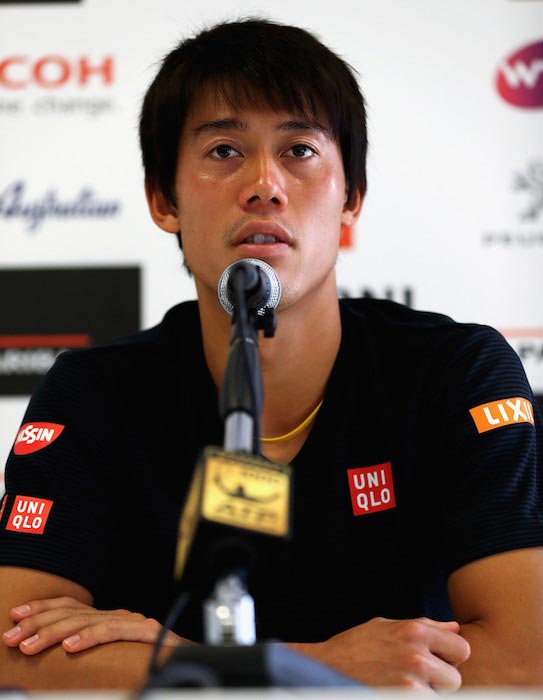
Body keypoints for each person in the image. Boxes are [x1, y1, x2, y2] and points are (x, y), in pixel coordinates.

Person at [0, 18, 542, 692]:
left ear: (352, 199)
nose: (264, 184)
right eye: (224, 150)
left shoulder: (453, 370)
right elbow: (12, 648)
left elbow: (524, 655)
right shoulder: (96, 391)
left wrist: (181, 663)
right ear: (162, 199)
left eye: (299, 150)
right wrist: (312, 669)